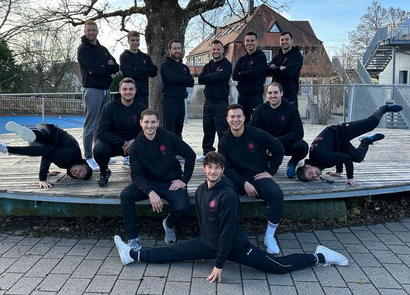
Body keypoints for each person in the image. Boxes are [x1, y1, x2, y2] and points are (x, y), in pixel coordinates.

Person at [114, 152, 348, 282]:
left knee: (278, 266)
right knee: (172, 253)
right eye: (209, 167)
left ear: (222, 170)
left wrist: (219, 265)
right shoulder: (200, 190)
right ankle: (132, 255)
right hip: (207, 244)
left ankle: (319, 256)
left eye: (217, 168)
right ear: (204, 169)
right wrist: (207, 246)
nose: (213, 171)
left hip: (235, 247)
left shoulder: (227, 195)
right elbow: (205, 221)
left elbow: (227, 231)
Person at [120, 109, 196, 250]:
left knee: (184, 207)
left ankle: (169, 224)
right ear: (141, 123)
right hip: (148, 182)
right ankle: (133, 238)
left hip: (170, 182)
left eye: (153, 122)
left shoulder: (169, 137)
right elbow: (136, 175)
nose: (150, 125)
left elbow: (190, 155)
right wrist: (150, 192)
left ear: (158, 122)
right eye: (146, 122)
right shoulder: (136, 145)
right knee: (126, 195)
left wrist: (184, 180)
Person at [218, 104, 285, 254]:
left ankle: (269, 236)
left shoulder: (256, 134)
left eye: (239, 116)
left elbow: (278, 148)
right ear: (227, 119)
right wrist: (244, 183)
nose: (236, 120)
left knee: (276, 194)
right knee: (225, 194)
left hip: (257, 176)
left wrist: (271, 172)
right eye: (232, 117)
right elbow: (226, 168)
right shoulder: (224, 141)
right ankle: (230, 233)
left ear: (244, 118)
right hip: (236, 179)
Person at [297, 103, 403, 186]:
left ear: (307, 166)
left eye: (310, 173)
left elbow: (346, 158)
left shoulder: (320, 156)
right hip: (339, 144)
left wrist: (350, 178)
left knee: (372, 123)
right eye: (312, 178)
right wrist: (338, 171)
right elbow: (336, 154)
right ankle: (366, 141)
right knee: (358, 157)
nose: (315, 175)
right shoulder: (317, 163)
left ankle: (384, 108)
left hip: (340, 132)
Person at [0, 121, 92, 188]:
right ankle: (31, 131)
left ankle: (7, 146)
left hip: (39, 142)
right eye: (81, 171)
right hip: (49, 130)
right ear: (84, 164)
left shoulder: (66, 164)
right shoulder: (73, 154)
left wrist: (47, 171)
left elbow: (50, 155)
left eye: (77, 176)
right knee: (46, 148)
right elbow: (49, 156)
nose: (77, 173)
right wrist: (42, 179)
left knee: (43, 149)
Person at [77, 20, 119, 171]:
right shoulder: (83, 49)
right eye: (88, 30)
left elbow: (115, 66)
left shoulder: (102, 49)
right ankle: (89, 157)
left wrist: (104, 68)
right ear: (85, 31)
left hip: (105, 90)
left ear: (97, 31)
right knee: (90, 125)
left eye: (93, 30)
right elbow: (96, 69)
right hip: (92, 89)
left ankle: (99, 154)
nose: (91, 33)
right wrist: (106, 67)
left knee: (101, 125)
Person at [93, 78, 146, 186]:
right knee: (99, 149)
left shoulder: (141, 108)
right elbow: (101, 132)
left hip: (134, 143)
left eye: (131, 89)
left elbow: (148, 129)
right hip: (114, 144)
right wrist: (122, 143)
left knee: (150, 143)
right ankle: (104, 171)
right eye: (125, 89)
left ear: (135, 90)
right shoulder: (109, 108)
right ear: (120, 90)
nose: (128, 92)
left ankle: (141, 170)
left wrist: (135, 140)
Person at [251, 82, 308, 178]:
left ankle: (292, 163)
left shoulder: (291, 109)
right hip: (267, 146)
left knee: (302, 146)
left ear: (281, 93)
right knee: (251, 144)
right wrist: (267, 143)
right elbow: (253, 131)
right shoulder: (260, 110)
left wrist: (277, 140)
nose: (273, 96)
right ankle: (267, 160)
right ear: (266, 94)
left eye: (275, 92)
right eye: (270, 93)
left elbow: (299, 132)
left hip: (285, 144)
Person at [196, 39, 232, 162]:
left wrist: (209, 77)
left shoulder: (227, 64)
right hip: (208, 102)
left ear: (222, 50)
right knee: (208, 129)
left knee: (222, 130)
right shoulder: (208, 66)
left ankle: (224, 153)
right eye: (214, 49)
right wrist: (215, 76)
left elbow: (222, 75)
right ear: (211, 51)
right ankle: (207, 153)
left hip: (221, 102)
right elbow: (201, 79)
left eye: (218, 49)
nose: (216, 51)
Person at [160, 39, 194, 137]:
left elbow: (191, 82)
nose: (177, 50)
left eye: (179, 48)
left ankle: (178, 146)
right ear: (169, 50)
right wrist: (183, 78)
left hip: (181, 101)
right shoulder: (165, 65)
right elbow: (172, 78)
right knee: (169, 129)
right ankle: (169, 147)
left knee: (179, 129)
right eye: (175, 48)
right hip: (170, 101)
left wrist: (178, 78)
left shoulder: (184, 67)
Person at [232, 31, 267, 123]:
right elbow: (234, 76)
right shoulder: (242, 59)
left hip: (255, 95)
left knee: (258, 122)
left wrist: (241, 74)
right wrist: (248, 74)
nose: (249, 43)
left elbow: (255, 73)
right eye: (247, 41)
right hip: (243, 96)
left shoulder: (261, 57)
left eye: (252, 41)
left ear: (256, 42)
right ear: (245, 42)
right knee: (242, 122)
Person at [119, 30, 157, 108]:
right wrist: (146, 71)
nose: (135, 42)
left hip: (144, 95)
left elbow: (154, 71)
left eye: (137, 40)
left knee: (144, 115)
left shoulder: (145, 57)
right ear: (128, 41)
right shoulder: (124, 56)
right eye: (132, 40)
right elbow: (130, 74)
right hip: (130, 95)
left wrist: (138, 69)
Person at [267, 32, 303, 107]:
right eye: (282, 40)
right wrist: (279, 68)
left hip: (289, 94)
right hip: (275, 95)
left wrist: (274, 69)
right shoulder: (277, 56)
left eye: (286, 39)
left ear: (291, 41)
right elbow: (267, 71)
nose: (284, 41)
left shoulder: (296, 55)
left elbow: (289, 72)